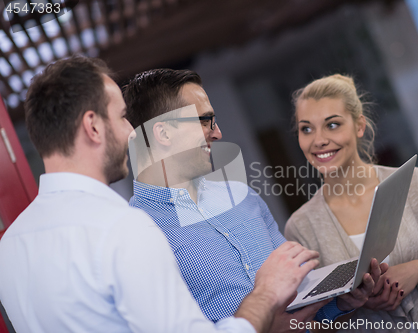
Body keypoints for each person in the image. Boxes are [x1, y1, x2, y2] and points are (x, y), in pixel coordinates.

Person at [0, 55, 325, 333]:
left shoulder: (9, 248)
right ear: (93, 127)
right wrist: (265, 298)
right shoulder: (125, 226)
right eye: (123, 117)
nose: (131, 133)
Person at [123, 69, 382, 332]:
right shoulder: (136, 236)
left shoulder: (243, 197)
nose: (217, 133)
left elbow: (301, 302)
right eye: (205, 121)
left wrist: (341, 303)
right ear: (164, 134)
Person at [284, 74, 418, 332]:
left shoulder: (417, 183)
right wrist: (348, 304)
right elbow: (309, 324)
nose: (318, 140)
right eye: (306, 128)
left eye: (332, 125)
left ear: (359, 126)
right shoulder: (300, 226)